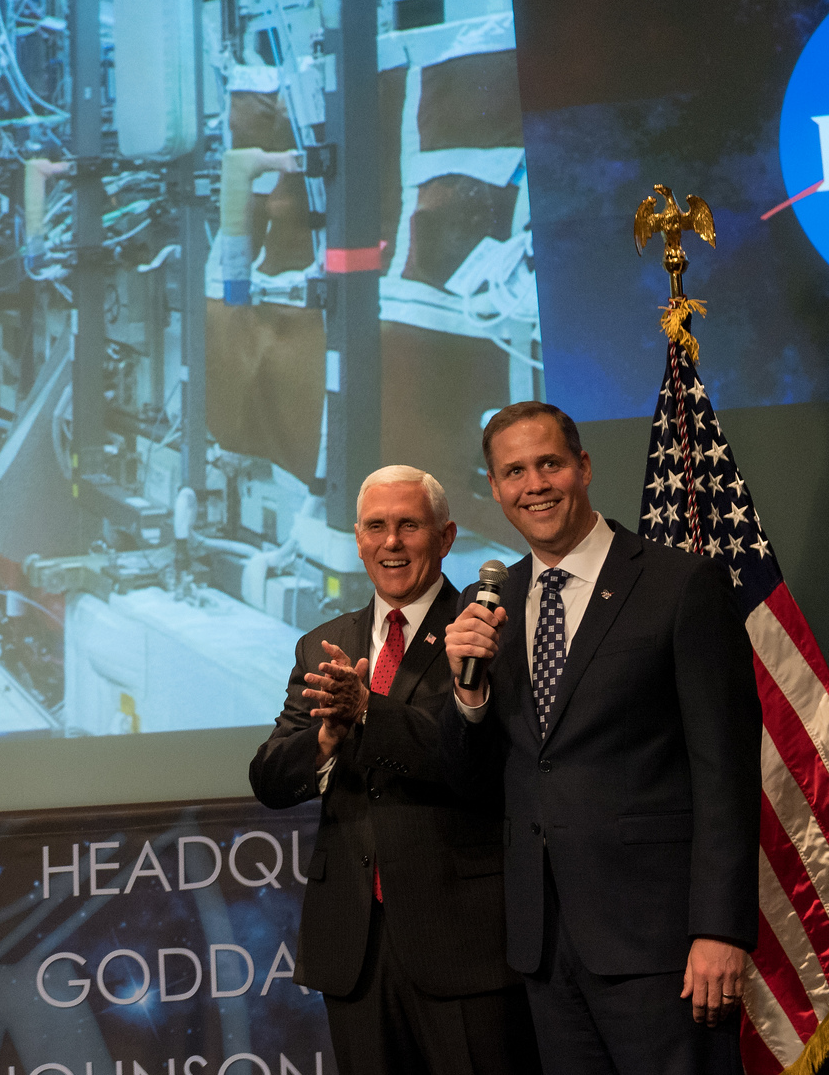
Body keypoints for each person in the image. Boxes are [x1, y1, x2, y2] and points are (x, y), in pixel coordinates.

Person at [442, 402, 759, 1074]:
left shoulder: (679, 585)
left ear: (582, 467)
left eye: (549, 464)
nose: (535, 485)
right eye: (514, 472)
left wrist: (720, 929)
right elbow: (493, 774)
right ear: (495, 489)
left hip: (661, 943)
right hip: (544, 947)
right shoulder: (493, 602)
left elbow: (726, 772)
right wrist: (468, 696)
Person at [251, 465, 538, 1074]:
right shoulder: (323, 643)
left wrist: (368, 713)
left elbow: (474, 766)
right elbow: (271, 779)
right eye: (376, 527)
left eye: (410, 525)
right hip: (354, 948)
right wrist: (326, 738)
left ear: (446, 536)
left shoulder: (485, 630)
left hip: (462, 945)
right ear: (357, 538)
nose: (392, 542)